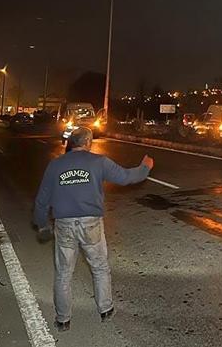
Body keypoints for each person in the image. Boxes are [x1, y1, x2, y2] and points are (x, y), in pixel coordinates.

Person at [33, 127, 154, 332]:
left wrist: (42, 223)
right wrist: (145, 168)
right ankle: (105, 309)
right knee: (99, 267)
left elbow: (42, 199)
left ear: (71, 142)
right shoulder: (99, 162)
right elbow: (126, 177)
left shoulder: (55, 165)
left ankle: (63, 320)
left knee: (63, 273)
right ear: (88, 142)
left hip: (64, 225)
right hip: (91, 224)